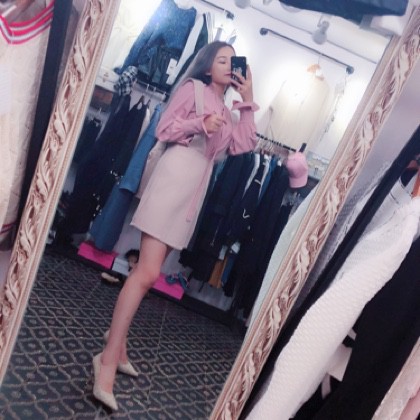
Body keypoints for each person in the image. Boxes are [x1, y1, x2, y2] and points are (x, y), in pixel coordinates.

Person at [91, 40, 259, 410]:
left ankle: (118, 346)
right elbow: (164, 128)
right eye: (222, 59)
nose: (229, 65)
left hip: (193, 193)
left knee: (148, 271)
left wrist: (248, 100)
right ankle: (106, 359)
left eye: (234, 61)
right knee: (148, 273)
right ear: (207, 66)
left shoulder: (229, 109)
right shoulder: (192, 89)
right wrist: (200, 123)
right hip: (173, 178)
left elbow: (243, 146)